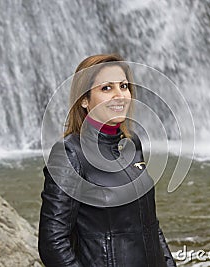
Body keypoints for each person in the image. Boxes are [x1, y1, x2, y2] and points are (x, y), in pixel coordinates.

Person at [38, 54, 176, 267]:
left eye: (123, 86)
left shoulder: (132, 143)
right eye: (106, 88)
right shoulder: (70, 153)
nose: (119, 95)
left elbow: (150, 224)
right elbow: (52, 243)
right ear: (84, 99)